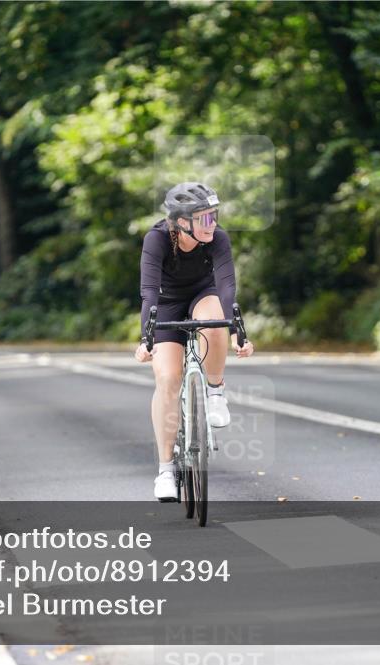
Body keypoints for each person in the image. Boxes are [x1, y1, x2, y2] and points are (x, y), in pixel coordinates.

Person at [135, 182, 254, 501]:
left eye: (214, 216)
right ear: (181, 221)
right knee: (168, 379)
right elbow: (148, 292)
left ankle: (215, 390)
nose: (211, 224)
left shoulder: (218, 239)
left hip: (204, 295)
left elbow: (227, 287)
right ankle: (165, 469)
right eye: (204, 218)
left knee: (213, 320)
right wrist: (146, 337)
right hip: (167, 302)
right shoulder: (157, 239)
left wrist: (236, 331)